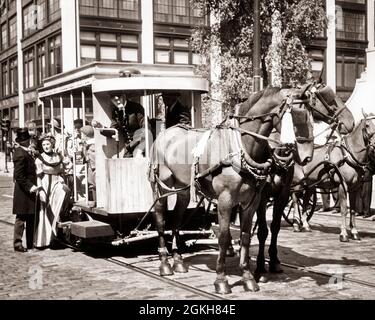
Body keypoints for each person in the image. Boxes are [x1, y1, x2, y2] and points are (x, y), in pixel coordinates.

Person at [34, 134, 71, 249]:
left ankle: (57, 235)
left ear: (52, 145)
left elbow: (67, 164)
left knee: (64, 193)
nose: (45, 146)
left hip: (57, 182)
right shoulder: (39, 159)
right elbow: (38, 176)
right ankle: (44, 240)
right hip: (45, 184)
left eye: (48, 144)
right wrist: (40, 190)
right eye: (43, 144)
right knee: (45, 210)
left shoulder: (58, 156)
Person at [12, 128, 39, 252]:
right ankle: (17, 244)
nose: (29, 142)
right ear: (25, 141)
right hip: (23, 191)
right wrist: (30, 186)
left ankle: (30, 243)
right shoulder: (20, 154)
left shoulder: (26, 152)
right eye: (28, 140)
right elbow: (19, 176)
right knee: (21, 218)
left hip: (29, 190)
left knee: (31, 216)